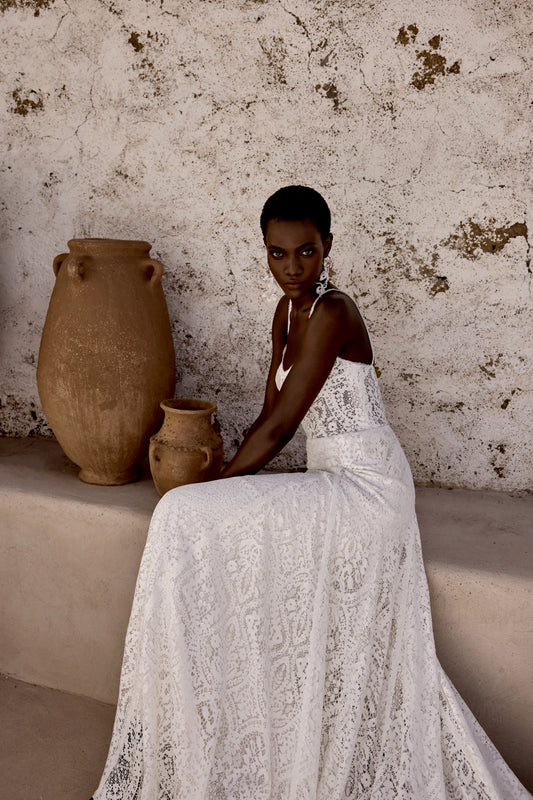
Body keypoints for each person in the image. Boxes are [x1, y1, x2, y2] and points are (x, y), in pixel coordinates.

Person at [93, 186, 531, 799]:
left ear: (328, 246)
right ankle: (200, 721)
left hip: (369, 487)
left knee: (183, 509)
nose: (292, 268)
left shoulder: (334, 313)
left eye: (306, 251)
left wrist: (216, 483)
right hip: (327, 477)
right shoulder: (285, 313)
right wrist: (222, 484)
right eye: (277, 254)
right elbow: (266, 413)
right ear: (265, 254)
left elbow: (280, 427)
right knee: (186, 516)